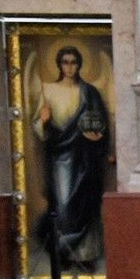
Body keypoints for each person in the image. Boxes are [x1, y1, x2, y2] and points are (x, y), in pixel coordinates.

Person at [32, 45, 109, 267]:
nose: (69, 67)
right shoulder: (49, 90)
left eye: (73, 62)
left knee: (86, 204)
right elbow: (38, 126)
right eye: (65, 62)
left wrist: (98, 138)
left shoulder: (89, 92)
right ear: (59, 65)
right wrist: (43, 120)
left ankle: (85, 256)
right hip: (60, 158)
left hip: (85, 158)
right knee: (64, 205)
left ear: (79, 65)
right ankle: (64, 255)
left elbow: (100, 124)